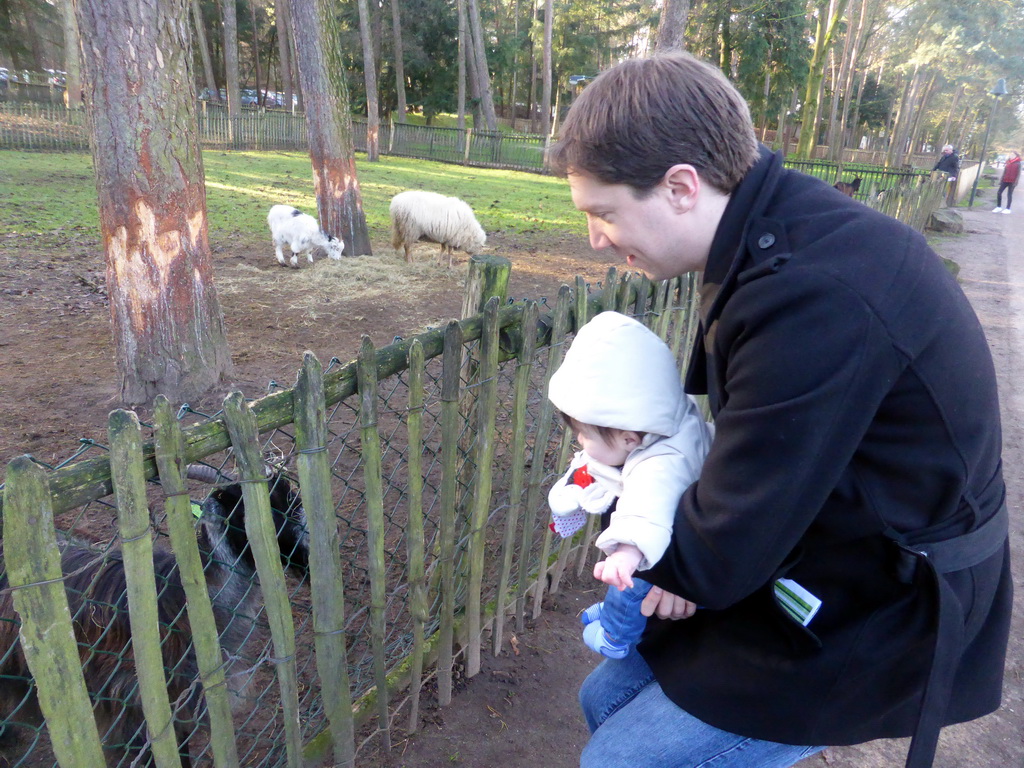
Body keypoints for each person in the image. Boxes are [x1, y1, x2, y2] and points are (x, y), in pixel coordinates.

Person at [547, 52, 1011, 768]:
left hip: (878, 596)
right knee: (601, 702)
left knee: (618, 760)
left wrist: (647, 541)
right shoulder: (769, 236)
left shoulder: (812, 295)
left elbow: (735, 533)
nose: (595, 239)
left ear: (679, 187)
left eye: (603, 213)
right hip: (812, 543)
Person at [545, 311, 713, 659]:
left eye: (583, 434)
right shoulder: (663, 418)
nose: (578, 441)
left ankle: (615, 636)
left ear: (627, 438)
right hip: (685, 526)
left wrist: (627, 552)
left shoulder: (661, 464)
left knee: (629, 583)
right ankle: (612, 612)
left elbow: (646, 509)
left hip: (664, 543)